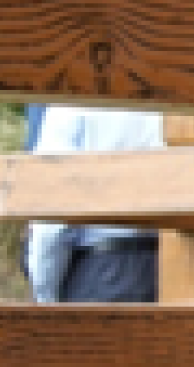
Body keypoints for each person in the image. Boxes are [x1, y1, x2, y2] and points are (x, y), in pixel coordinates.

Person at [26, 105, 166, 303]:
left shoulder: (70, 106)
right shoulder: (174, 102)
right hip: (169, 266)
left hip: (97, 270)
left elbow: (52, 221)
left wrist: (45, 296)